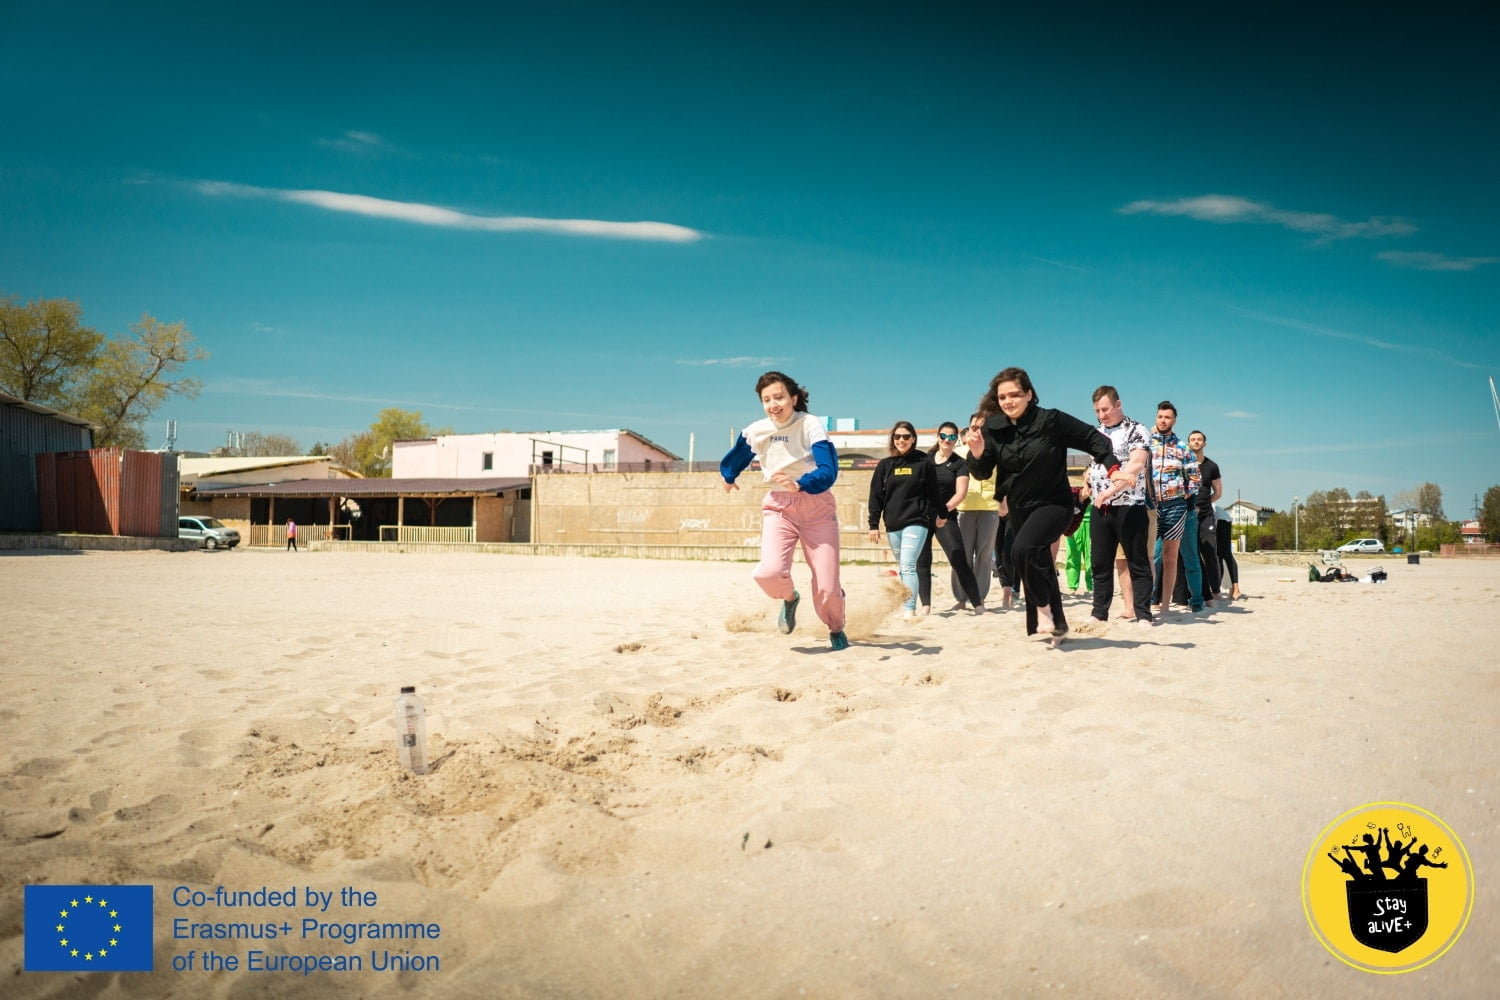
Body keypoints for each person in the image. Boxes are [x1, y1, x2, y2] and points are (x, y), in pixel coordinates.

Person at [966, 368, 1125, 645]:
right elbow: (981, 472)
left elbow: (1092, 438)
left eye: (1015, 394)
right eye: (1002, 396)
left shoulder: (1050, 420)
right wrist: (978, 453)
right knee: (1038, 561)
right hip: (1020, 507)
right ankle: (1058, 626)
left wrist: (1112, 467)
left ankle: (1044, 612)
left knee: (1022, 550)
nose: (1008, 401)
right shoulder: (994, 428)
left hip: (1055, 503)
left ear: (1029, 394)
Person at [720, 371, 849, 651]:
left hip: (816, 506)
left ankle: (836, 628)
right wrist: (728, 476)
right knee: (768, 573)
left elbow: (829, 471)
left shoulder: (810, 424)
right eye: (766, 400)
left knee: (827, 587)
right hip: (779, 507)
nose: (773, 405)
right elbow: (737, 456)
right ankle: (790, 599)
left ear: (793, 398)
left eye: (778, 397)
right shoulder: (757, 430)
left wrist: (800, 484)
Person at [1085, 387, 1153, 625]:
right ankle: (1099, 613)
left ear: (1118, 404)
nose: (1101, 415)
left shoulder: (1136, 429)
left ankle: (1143, 613)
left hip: (1129, 504)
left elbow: (1136, 464)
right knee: (1100, 562)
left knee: (1137, 560)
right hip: (1100, 506)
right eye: (1097, 411)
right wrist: (1087, 484)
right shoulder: (1096, 432)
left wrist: (1111, 490)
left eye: (1105, 409)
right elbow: (1094, 465)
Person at [869, 421, 941, 619]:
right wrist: (873, 525)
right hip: (893, 525)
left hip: (917, 521)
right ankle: (907, 605)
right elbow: (876, 496)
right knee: (903, 567)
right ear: (893, 439)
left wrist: (939, 514)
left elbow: (934, 493)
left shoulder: (923, 463)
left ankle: (910, 610)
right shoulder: (885, 465)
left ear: (913, 439)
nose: (901, 440)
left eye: (906, 436)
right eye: (898, 436)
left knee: (908, 565)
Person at [917, 421, 986, 614]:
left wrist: (943, 511)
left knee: (958, 558)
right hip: (922, 517)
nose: (947, 440)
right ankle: (926, 606)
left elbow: (960, 493)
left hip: (946, 516)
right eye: (943, 436)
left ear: (957, 440)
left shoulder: (959, 463)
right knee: (922, 561)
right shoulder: (925, 460)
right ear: (938, 437)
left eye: (952, 437)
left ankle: (978, 605)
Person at [1147, 401, 1203, 616]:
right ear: (1156, 418)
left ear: (1174, 420)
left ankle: (1165, 605)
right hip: (1150, 506)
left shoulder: (1182, 448)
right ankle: (1148, 599)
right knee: (1152, 555)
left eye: (1167, 417)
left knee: (1171, 557)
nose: (1163, 420)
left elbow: (1195, 478)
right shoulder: (1146, 445)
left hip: (1175, 506)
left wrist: (1180, 494)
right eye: (1160, 416)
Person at [954, 412, 1001, 610]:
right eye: (974, 427)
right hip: (964, 508)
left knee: (984, 556)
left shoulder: (996, 451)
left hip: (990, 508)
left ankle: (980, 597)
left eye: (982, 427)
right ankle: (961, 599)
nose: (977, 431)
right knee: (961, 555)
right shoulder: (959, 453)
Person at [1063, 481, 1092, 594]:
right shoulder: (1075, 491)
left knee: (1091, 556)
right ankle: (1072, 586)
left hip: (1090, 524)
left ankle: (1091, 586)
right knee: (1072, 555)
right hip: (1074, 524)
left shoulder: (1097, 489)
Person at [1216, 504, 1242, 600]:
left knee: (1226, 554)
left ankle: (1236, 588)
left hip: (1222, 520)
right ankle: (1220, 589)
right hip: (1216, 520)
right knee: (1218, 556)